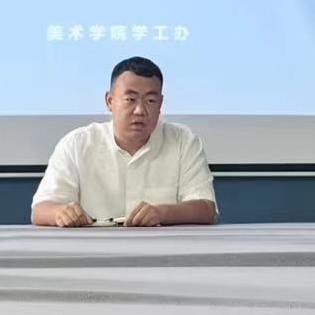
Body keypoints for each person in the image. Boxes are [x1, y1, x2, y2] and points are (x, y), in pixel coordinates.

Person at [32, 57, 217, 227]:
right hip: (93, 247)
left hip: (163, 247)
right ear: (110, 101)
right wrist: (60, 213)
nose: (139, 110)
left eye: (150, 100)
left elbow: (205, 208)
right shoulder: (77, 143)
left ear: (160, 105)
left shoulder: (183, 141)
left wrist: (162, 213)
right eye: (130, 99)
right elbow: (41, 210)